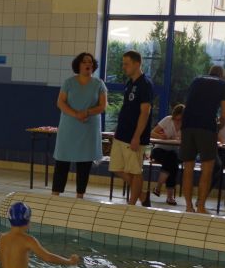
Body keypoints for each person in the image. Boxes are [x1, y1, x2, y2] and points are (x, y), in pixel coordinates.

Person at [52, 52, 108, 198]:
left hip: (88, 129)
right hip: (69, 127)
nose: (88, 64)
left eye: (90, 62)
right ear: (78, 65)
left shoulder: (99, 84)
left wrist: (87, 112)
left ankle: (80, 195)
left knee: (84, 163)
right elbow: (60, 102)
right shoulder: (69, 83)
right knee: (62, 161)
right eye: (84, 61)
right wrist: (76, 114)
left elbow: (102, 106)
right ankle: (55, 194)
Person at [180, 65, 225, 214]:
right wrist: (218, 128)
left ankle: (188, 206)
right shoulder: (224, 85)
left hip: (187, 125)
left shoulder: (196, 80)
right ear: (222, 75)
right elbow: (224, 114)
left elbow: (188, 103)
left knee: (188, 169)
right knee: (207, 170)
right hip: (206, 127)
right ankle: (201, 207)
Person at [109, 50, 154, 205]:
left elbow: (145, 112)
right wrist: (117, 129)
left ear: (137, 64)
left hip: (134, 136)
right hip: (122, 133)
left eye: (126, 64)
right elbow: (127, 109)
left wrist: (136, 136)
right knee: (116, 167)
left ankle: (132, 204)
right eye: (123, 64)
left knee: (135, 171)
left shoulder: (145, 84)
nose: (124, 67)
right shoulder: (130, 83)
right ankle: (142, 195)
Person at [0, 202, 80, 268]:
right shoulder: (28, 240)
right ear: (28, 220)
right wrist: (69, 261)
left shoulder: (2, 237)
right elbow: (47, 257)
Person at [150, 104, 184, 205]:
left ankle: (158, 187)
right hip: (159, 150)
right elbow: (152, 132)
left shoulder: (186, 124)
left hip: (174, 152)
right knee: (173, 163)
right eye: (176, 119)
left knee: (172, 160)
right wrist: (161, 137)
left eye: (180, 119)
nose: (178, 121)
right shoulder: (167, 119)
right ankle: (170, 197)